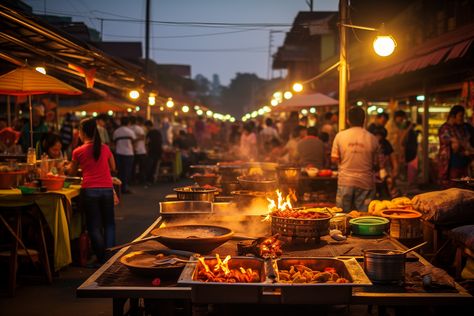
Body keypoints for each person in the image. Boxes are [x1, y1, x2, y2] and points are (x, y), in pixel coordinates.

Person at [67, 118, 116, 264]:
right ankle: (110, 256)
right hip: (107, 189)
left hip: (90, 190)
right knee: (109, 224)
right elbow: (113, 167)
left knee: (94, 226)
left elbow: (71, 172)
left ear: (81, 133)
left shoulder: (78, 151)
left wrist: (69, 167)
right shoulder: (105, 148)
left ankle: (101, 258)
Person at [331, 107, 380, 212]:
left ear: (348, 120)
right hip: (366, 182)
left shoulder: (340, 136)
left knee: (341, 216)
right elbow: (376, 163)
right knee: (364, 217)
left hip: (345, 181)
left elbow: (334, 159)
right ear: (364, 120)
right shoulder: (372, 138)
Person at [438, 105, 473, 183]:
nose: (462, 118)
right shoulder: (445, 128)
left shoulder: (462, 127)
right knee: (452, 187)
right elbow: (456, 144)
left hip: (463, 163)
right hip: (451, 164)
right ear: (453, 116)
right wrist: (466, 148)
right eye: (460, 116)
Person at [113, 116, 136, 194]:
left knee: (120, 171)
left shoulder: (116, 131)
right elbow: (133, 142)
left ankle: (119, 188)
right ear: (128, 123)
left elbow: (114, 142)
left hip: (119, 153)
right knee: (127, 172)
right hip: (129, 153)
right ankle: (125, 188)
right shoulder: (130, 131)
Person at [129, 116, 147, 184]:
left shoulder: (129, 128)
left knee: (133, 166)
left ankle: (133, 180)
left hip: (133, 150)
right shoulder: (139, 128)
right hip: (141, 150)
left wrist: (133, 140)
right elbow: (143, 137)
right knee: (141, 166)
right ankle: (141, 180)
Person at [144, 120, 162, 184]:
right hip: (158, 151)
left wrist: (146, 150)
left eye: (146, 126)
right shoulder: (158, 132)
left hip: (151, 151)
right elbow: (160, 141)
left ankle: (149, 180)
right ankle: (152, 179)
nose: (146, 128)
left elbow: (147, 142)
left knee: (149, 166)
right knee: (154, 166)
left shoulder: (149, 133)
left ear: (148, 126)